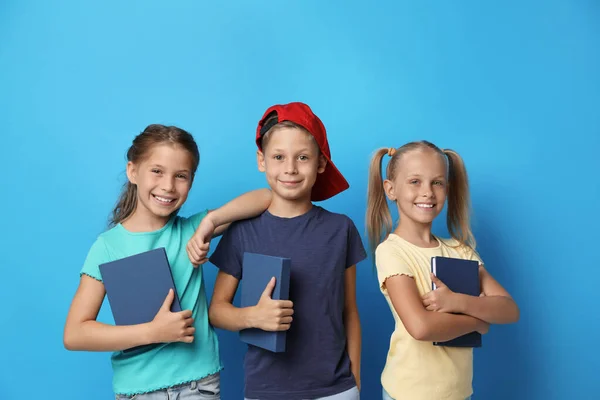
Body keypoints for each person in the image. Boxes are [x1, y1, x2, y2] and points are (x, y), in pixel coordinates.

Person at [63, 124, 272, 399]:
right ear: (132, 171)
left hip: (199, 383)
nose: (168, 186)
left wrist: (210, 221)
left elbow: (266, 197)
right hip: (138, 389)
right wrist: (153, 332)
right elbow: (75, 333)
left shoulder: (193, 230)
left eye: (181, 176)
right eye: (157, 171)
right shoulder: (108, 247)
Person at [208, 102, 366, 400]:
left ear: (321, 163)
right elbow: (217, 310)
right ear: (262, 160)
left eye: (303, 157)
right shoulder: (242, 230)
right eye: (279, 157)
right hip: (266, 389)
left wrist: (355, 376)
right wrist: (253, 317)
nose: (290, 168)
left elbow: (350, 310)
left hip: (336, 389)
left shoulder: (340, 229)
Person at [366, 141, 520, 400]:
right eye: (415, 181)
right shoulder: (392, 251)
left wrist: (457, 302)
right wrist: (479, 321)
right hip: (408, 393)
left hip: (459, 394)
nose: (427, 192)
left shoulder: (460, 250)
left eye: (437, 182)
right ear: (390, 189)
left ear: (447, 189)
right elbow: (421, 327)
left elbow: (509, 310)